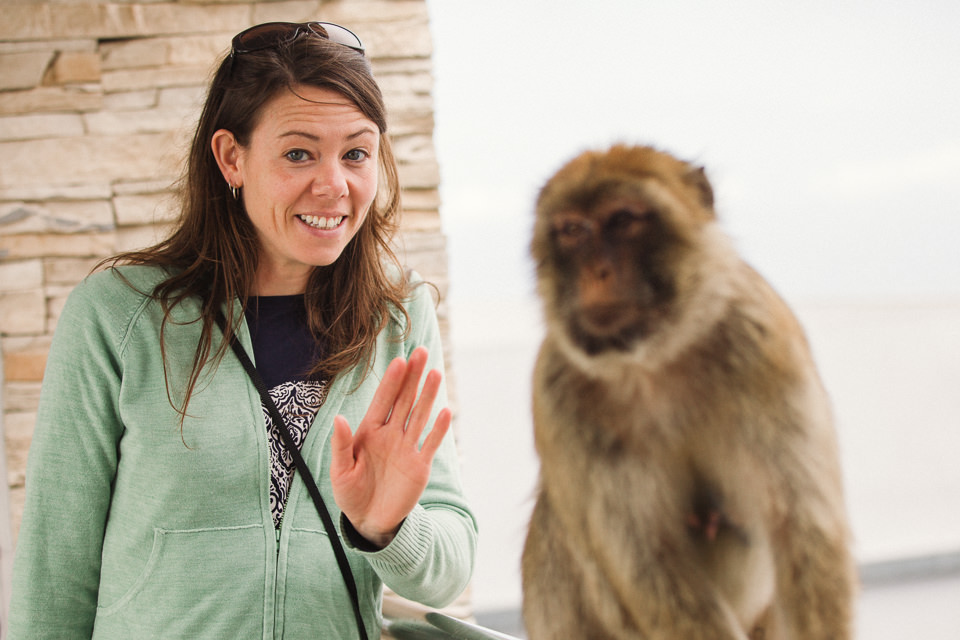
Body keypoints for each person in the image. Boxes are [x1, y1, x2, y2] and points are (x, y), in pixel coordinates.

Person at [8, 21, 477, 639]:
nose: (334, 185)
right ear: (232, 156)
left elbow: (448, 570)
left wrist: (385, 525)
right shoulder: (116, 315)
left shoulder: (398, 313)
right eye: (298, 153)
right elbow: (54, 577)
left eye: (356, 153)